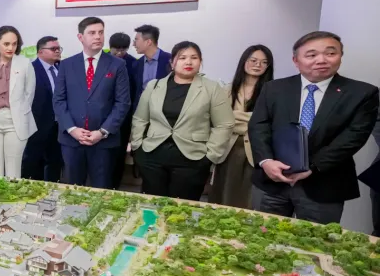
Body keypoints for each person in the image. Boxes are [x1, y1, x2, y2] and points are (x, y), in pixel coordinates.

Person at [249, 31, 379, 223]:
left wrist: (313, 167)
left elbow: (354, 137)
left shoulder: (362, 93)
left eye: (330, 53)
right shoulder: (274, 88)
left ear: (340, 56)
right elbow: (259, 126)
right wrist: (266, 161)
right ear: (296, 60)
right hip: (272, 181)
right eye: (311, 55)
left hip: (324, 184)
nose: (321, 60)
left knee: (315, 239)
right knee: (262, 234)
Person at [131, 41, 233, 200]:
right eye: (182, 58)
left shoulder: (211, 88)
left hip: (192, 158)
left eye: (194, 58)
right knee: (152, 204)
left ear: (200, 62)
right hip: (152, 155)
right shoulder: (154, 86)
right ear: (172, 62)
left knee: (183, 208)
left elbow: (224, 124)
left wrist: (211, 155)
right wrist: (138, 147)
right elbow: (140, 118)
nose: (189, 62)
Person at [53, 16, 131, 189]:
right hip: (72, 140)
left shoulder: (117, 65)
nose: (98, 37)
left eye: (101, 32)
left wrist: (102, 132)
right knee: (72, 189)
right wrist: (72, 129)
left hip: (103, 141)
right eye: (92, 33)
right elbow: (58, 100)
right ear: (80, 37)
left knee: (102, 189)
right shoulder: (66, 65)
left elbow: (122, 103)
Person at [209, 45, 274, 208]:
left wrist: (233, 117)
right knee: (221, 196)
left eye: (263, 62)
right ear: (244, 61)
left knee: (246, 200)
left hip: (255, 152)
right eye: (253, 60)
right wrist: (254, 120)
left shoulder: (273, 91)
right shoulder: (227, 89)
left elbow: (270, 122)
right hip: (227, 150)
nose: (258, 65)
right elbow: (218, 119)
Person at [0, 25, 37, 178]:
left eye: (14, 44)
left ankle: (12, 194)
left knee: (13, 169)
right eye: (6, 44)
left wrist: (19, 112)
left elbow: (29, 94)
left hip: (15, 120)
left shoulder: (25, 64)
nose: (11, 48)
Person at [21, 36, 63, 182]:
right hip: (36, 124)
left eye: (58, 48)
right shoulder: (30, 69)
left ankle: (53, 189)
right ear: (40, 52)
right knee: (33, 162)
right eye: (53, 49)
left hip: (59, 126)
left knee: (55, 162)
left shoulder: (62, 68)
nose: (57, 51)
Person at [108, 32, 138, 188]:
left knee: (119, 153)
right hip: (103, 115)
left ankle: (115, 185)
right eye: (116, 49)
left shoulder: (133, 64)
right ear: (110, 47)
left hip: (124, 117)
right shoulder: (102, 60)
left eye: (123, 50)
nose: (119, 53)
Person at [130, 24, 171, 107]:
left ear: (148, 42)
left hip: (164, 108)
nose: (133, 44)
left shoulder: (170, 61)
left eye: (136, 40)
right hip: (141, 109)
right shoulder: (137, 64)